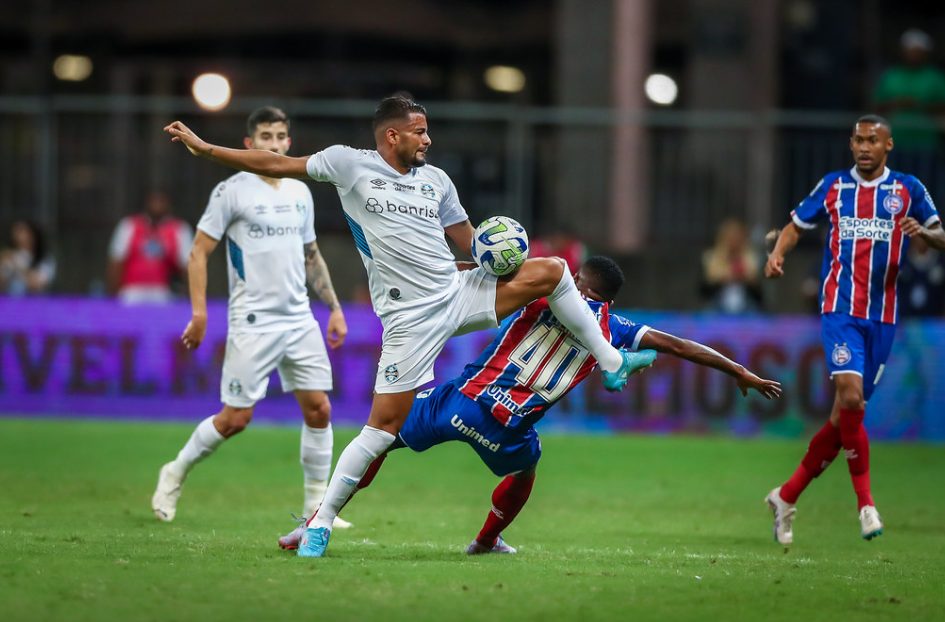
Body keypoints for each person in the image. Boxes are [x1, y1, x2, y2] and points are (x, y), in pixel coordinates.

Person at [164, 95, 649, 558]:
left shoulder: (436, 181)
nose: (428, 139)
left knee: (554, 271)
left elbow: (472, 245)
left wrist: (502, 248)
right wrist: (206, 148)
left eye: (428, 131)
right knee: (382, 429)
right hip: (408, 319)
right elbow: (275, 165)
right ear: (391, 135)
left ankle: (610, 359)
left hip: (457, 294)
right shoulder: (348, 164)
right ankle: (321, 523)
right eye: (419, 131)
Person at [275, 256, 782, 553]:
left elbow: (478, 269)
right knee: (526, 471)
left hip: (463, 403)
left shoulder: (537, 295)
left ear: (577, 283)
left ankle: (316, 520)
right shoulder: (618, 328)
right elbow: (680, 345)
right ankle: (485, 540)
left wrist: (428, 266)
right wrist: (740, 371)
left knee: (380, 438)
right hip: (507, 430)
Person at [151, 106, 352, 529]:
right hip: (253, 320)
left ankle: (318, 509)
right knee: (236, 419)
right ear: (249, 144)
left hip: (299, 318)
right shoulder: (232, 191)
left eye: (280, 136)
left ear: (289, 142)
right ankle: (175, 471)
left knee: (319, 409)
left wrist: (333, 308)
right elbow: (198, 252)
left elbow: (311, 255)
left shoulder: (300, 192)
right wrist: (200, 311)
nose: (274, 144)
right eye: (265, 136)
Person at [764, 114, 945, 545]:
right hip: (839, 311)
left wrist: (925, 233)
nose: (865, 147)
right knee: (849, 396)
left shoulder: (908, 189)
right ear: (851, 144)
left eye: (873, 141)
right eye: (859, 140)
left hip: (882, 317)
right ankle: (865, 504)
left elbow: (941, 235)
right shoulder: (833, 187)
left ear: (889, 146)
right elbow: (794, 226)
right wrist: (778, 254)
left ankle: (786, 496)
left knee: (844, 417)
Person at [107, 190, 193, 303]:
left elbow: (188, 268)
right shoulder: (128, 225)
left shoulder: (180, 229)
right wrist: (112, 298)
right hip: (131, 291)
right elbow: (116, 263)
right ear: (146, 203)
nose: (157, 205)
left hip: (163, 292)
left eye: (161, 201)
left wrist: (190, 298)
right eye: (153, 201)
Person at [873, 29, 945, 153]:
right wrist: (896, 103)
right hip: (894, 139)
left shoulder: (936, 77)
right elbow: (877, 104)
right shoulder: (891, 75)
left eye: (918, 51)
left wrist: (920, 105)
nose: (913, 54)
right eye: (910, 51)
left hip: (927, 141)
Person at [700, 218, 762, 313]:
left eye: (737, 238)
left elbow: (760, 294)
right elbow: (704, 290)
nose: (733, 242)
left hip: (746, 307)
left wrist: (746, 279)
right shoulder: (712, 257)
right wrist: (722, 278)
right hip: (717, 307)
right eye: (730, 238)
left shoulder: (751, 258)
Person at [0, 220, 55, 295]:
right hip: (11, 303)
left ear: (32, 234)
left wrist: (18, 266)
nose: (17, 235)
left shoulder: (44, 258)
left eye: (22, 231)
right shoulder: (9, 256)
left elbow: (38, 284)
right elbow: (2, 284)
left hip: (35, 303)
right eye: (15, 231)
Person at [898, 235, 945, 317]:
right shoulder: (902, 259)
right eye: (918, 236)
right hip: (905, 320)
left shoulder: (941, 261)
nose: (921, 240)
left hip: (935, 321)